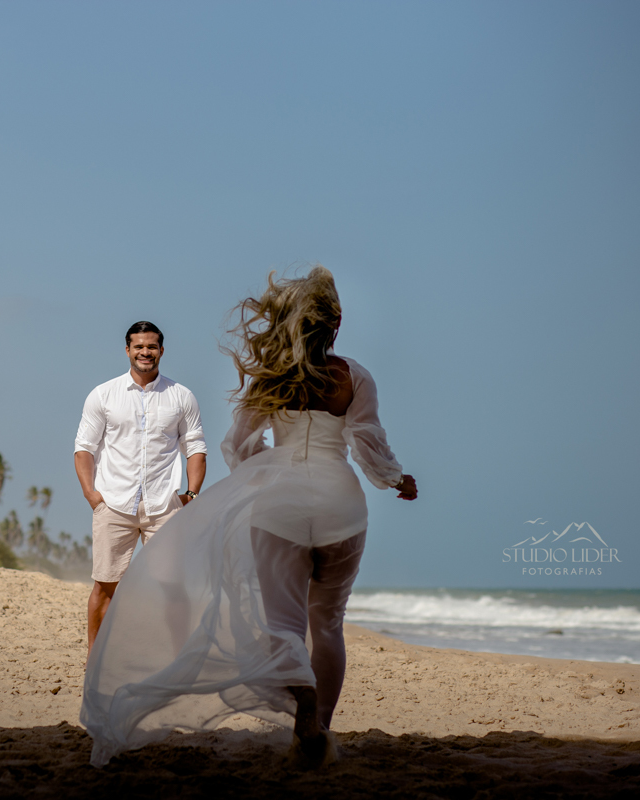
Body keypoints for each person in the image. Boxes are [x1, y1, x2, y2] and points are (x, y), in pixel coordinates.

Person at [80, 268, 416, 768]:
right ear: (335, 324)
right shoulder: (354, 376)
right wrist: (395, 480)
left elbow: (237, 445)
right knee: (327, 622)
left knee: (283, 622)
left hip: (279, 509)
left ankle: (299, 692)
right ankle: (318, 728)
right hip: (342, 508)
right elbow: (368, 444)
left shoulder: (271, 378)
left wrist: (263, 474)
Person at [74, 321, 207, 657]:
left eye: (151, 347)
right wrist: (93, 495)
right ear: (127, 350)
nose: (145, 352)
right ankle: (96, 660)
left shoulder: (181, 396)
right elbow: (83, 448)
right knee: (106, 586)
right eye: (139, 347)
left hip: (164, 506)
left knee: (173, 587)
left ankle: (175, 658)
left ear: (162, 350)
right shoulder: (103, 394)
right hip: (114, 504)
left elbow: (196, 448)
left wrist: (190, 493)